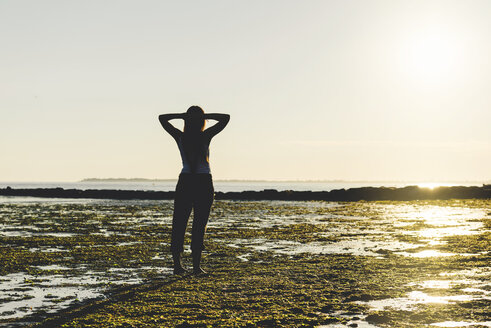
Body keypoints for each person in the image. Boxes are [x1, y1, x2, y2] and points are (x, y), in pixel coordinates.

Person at [159, 106, 230, 275]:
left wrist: (183, 116)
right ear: (202, 122)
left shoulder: (182, 136)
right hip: (202, 181)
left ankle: (180, 265)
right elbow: (225, 118)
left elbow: (163, 118)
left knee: (180, 223)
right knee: (198, 224)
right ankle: (194, 267)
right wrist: (201, 116)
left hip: (188, 181)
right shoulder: (204, 135)